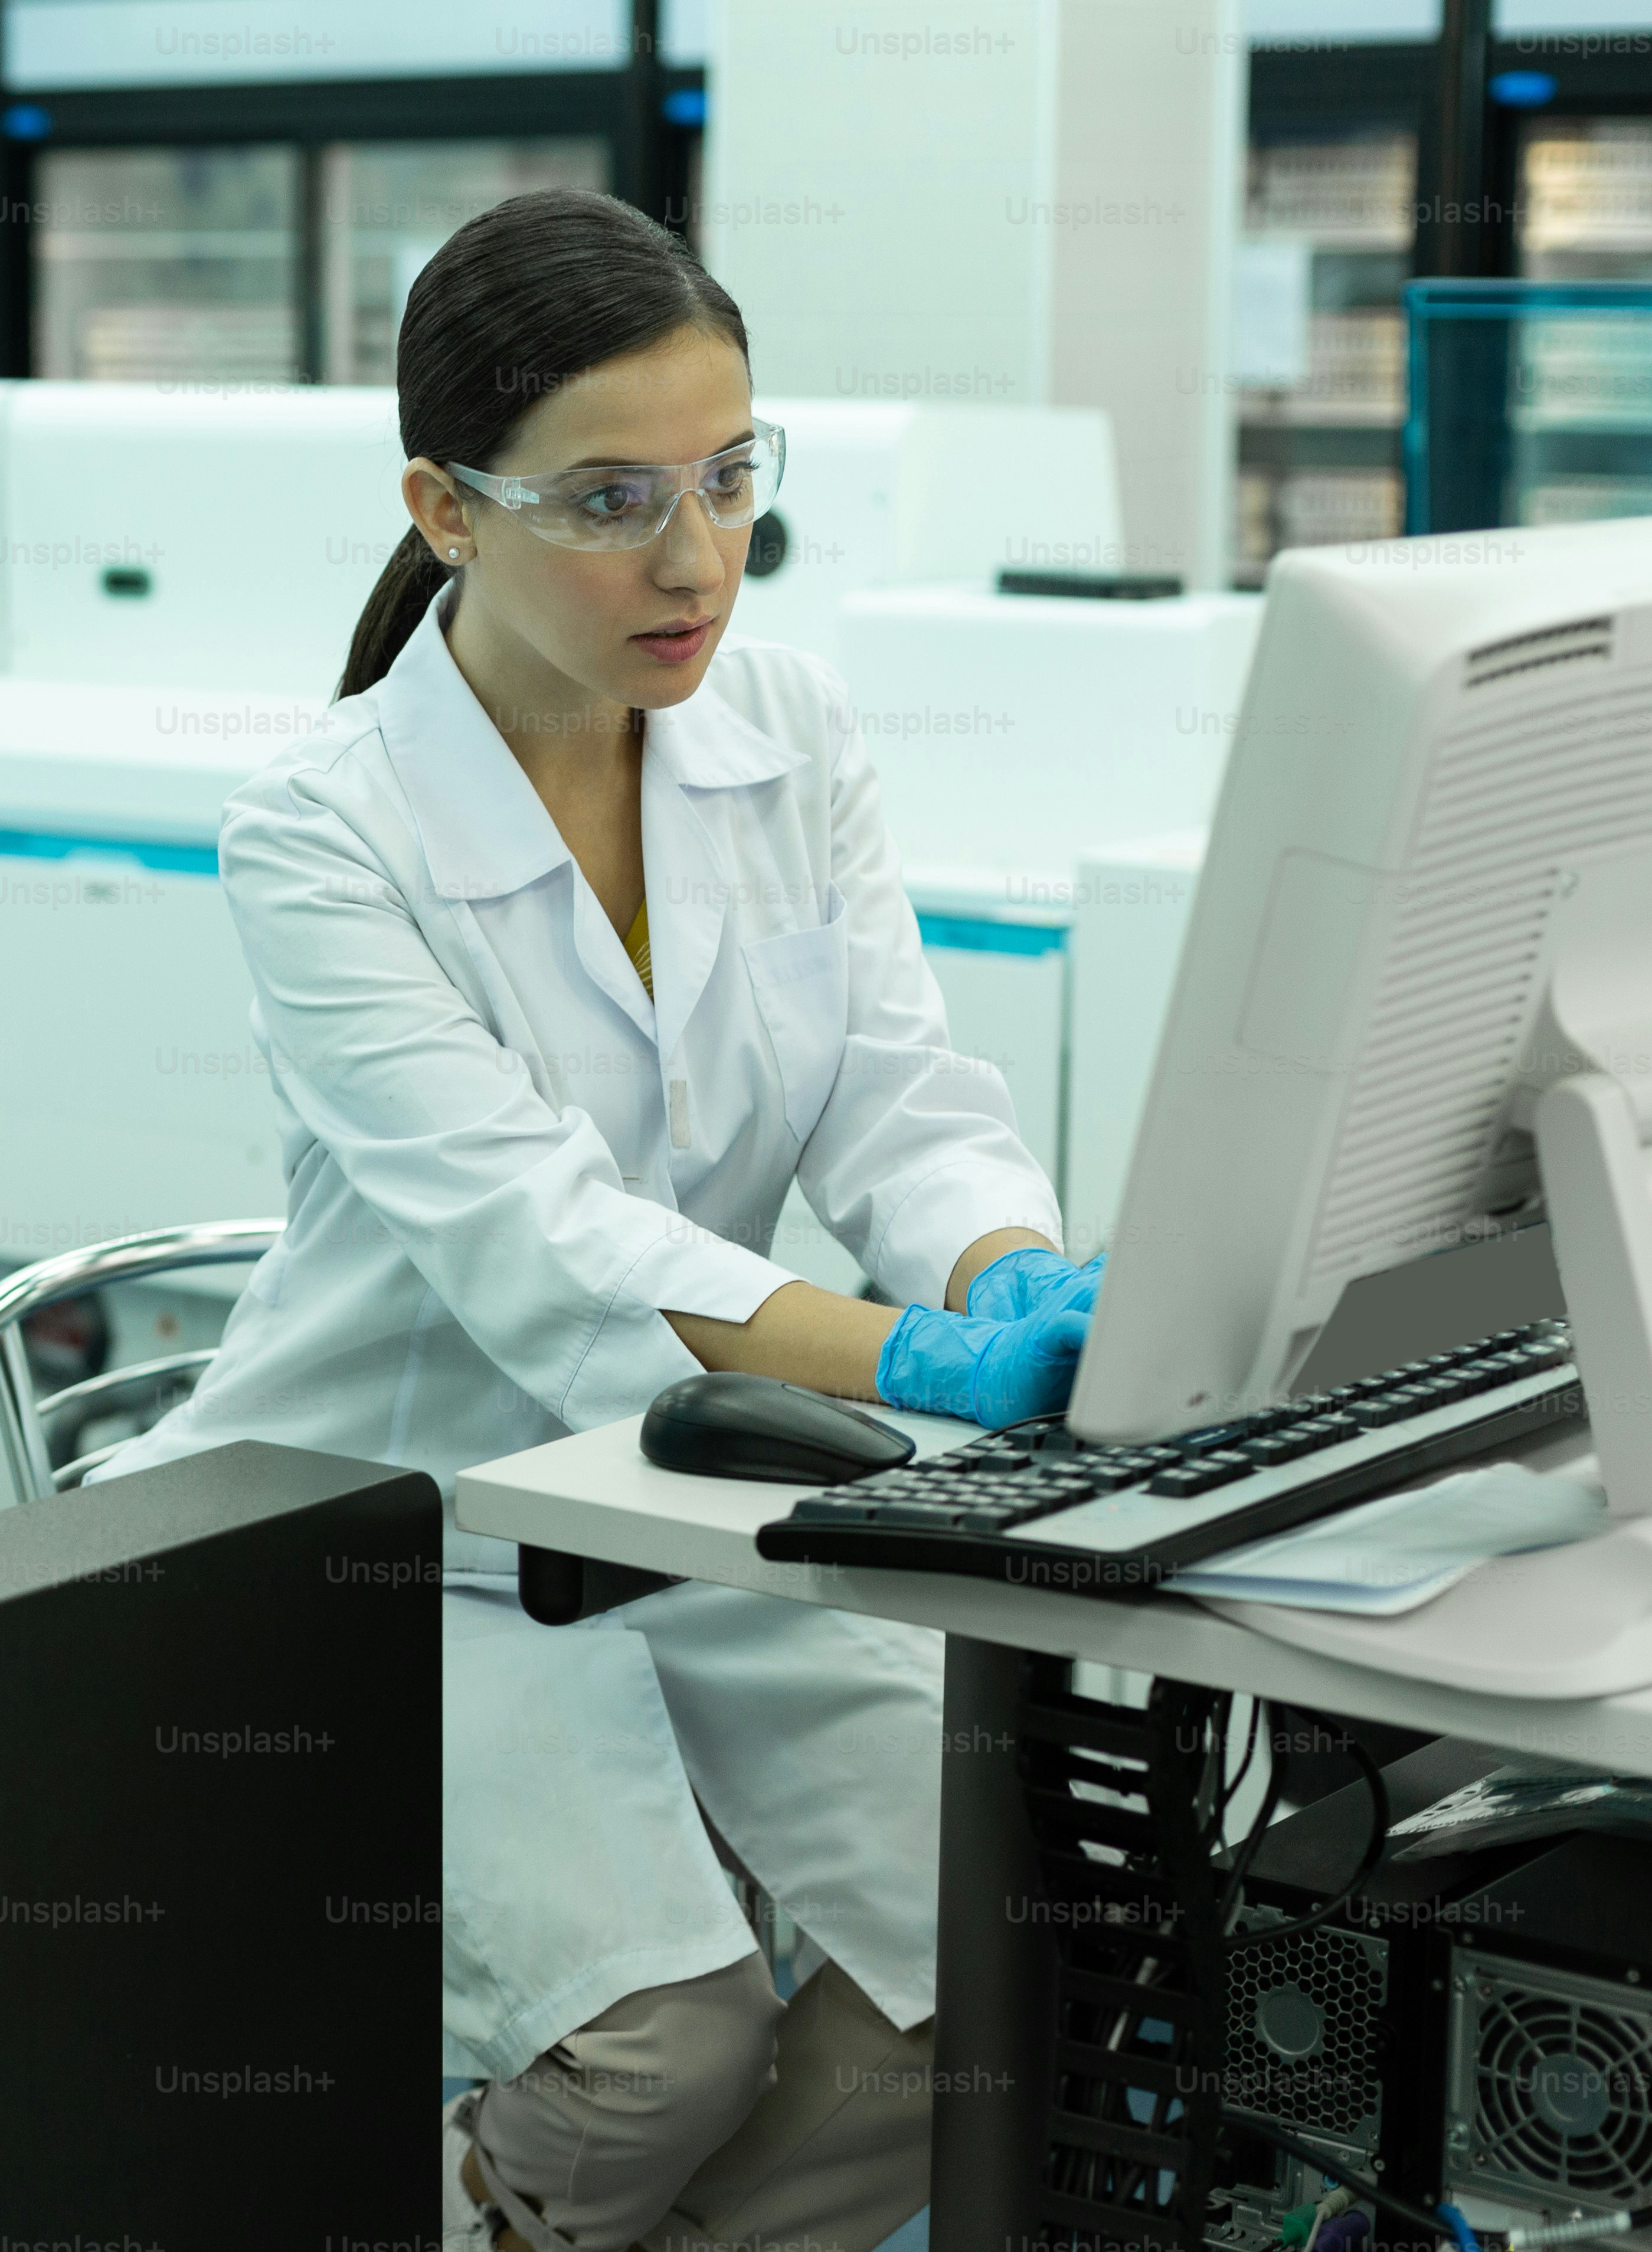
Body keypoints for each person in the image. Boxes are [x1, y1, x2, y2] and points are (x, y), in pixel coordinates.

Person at [86, 190, 1102, 2252]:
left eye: (730, 478)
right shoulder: (323, 831)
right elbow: (544, 1246)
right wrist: (914, 1358)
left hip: (682, 1508)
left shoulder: (789, 732)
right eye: (612, 500)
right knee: (663, 2047)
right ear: (445, 512)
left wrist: (1005, 1269)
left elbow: (895, 1090)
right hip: (397, 1524)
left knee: (1010, 1973)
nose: (695, 557)